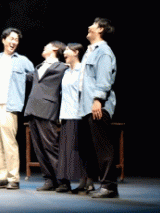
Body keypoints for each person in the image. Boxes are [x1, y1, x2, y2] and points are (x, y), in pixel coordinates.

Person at [0, 27, 34, 189]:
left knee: (9, 143)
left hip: (9, 107)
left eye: (16, 40)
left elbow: (35, 76)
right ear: (3, 40)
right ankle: (1, 177)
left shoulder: (22, 60)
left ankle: (13, 178)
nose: (13, 42)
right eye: (11, 39)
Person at [78, 18, 119, 198]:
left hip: (98, 106)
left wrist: (97, 100)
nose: (89, 27)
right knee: (93, 148)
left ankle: (109, 186)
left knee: (103, 147)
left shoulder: (103, 52)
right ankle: (101, 184)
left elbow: (104, 78)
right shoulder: (91, 51)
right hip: (87, 106)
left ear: (100, 29)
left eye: (93, 25)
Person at [23, 41, 69, 191]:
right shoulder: (39, 66)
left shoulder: (63, 67)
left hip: (48, 109)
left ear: (55, 48)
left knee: (50, 146)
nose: (44, 47)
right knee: (38, 148)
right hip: (33, 108)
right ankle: (49, 180)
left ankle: (63, 181)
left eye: (47, 46)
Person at [55, 43, 91, 194]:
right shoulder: (66, 72)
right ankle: (72, 182)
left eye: (67, 51)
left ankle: (87, 182)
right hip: (66, 114)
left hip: (78, 115)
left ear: (76, 52)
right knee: (68, 150)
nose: (64, 53)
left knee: (80, 149)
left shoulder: (83, 70)